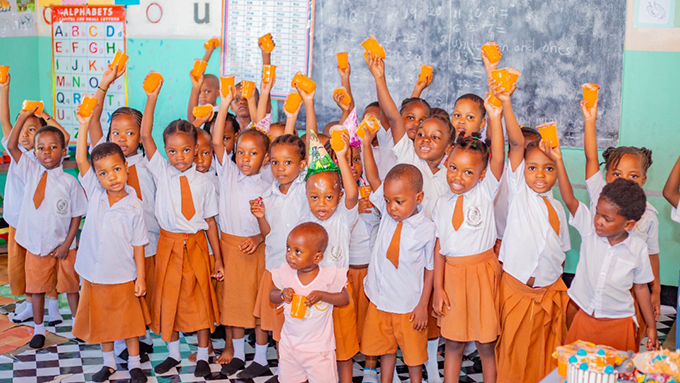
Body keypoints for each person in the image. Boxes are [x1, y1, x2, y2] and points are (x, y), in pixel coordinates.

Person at [139, 73, 223, 378]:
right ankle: (173, 355)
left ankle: (203, 354)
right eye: (172, 151)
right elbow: (145, 136)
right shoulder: (161, 172)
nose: (179, 157)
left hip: (198, 243)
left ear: (196, 148)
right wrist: (152, 97)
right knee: (169, 300)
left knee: (199, 300)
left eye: (186, 150)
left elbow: (211, 222)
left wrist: (219, 258)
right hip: (169, 244)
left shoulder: (205, 181)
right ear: (165, 151)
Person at [72, 109, 150, 383]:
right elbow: (81, 158)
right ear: (97, 177)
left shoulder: (134, 205)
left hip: (123, 274)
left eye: (117, 169)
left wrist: (140, 277)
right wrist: (83, 126)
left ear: (126, 168)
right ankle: (108, 364)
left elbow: (139, 244)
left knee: (129, 324)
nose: (112, 176)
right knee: (104, 322)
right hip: (95, 273)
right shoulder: (94, 191)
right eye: (104, 173)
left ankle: (135, 363)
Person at [87, 63, 159, 357]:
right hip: (113, 249)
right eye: (115, 132)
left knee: (144, 293)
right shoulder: (106, 167)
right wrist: (103, 86)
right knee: (117, 297)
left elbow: (147, 135)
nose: (121, 138)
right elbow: (93, 123)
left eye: (130, 133)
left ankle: (144, 338)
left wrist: (151, 97)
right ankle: (119, 340)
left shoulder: (150, 163)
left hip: (148, 242)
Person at [432, 94, 505, 383]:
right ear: (446, 164)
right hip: (452, 275)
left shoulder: (485, 192)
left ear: (482, 175)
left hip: (481, 274)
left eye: (468, 172)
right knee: (453, 342)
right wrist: (438, 287)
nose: (458, 177)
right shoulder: (442, 204)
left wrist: (495, 116)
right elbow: (439, 248)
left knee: (486, 343)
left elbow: (498, 155)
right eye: (453, 168)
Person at [7, 107, 87, 350]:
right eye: (41, 148)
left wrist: (66, 244)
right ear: (34, 151)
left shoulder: (70, 182)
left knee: (72, 288)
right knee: (37, 289)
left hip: (64, 246)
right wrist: (21, 118)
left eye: (53, 147)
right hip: (36, 245)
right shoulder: (29, 171)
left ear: (64, 151)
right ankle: (39, 330)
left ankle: (78, 326)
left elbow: (76, 216)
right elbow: (11, 147)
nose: (46, 152)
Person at [583, 97, 660, 336]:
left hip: (627, 295)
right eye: (617, 174)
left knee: (625, 344)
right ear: (606, 176)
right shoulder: (599, 195)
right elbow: (590, 158)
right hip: (593, 292)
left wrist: (655, 290)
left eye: (633, 175)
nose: (625, 180)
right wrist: (590, 120)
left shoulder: (649, 216)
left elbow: (652, 255)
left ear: (644, 180)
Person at [212, 86, 273, 379]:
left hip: (257, 249)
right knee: (233, 306)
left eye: (254, 154)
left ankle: (260, 357)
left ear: (266, 158)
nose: (246, 158)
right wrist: (225, 101)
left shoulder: (268, 181)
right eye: (241, 152)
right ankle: (236, 353)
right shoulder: (228, 173)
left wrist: (259, 237)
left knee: (258, 307)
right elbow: (216, 139)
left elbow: (270, 224)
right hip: (230, 248)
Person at [0, 73, 69, 326]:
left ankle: (53, 306)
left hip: (44, 221)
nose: (27, 135)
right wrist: (5, 87)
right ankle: (30, 304)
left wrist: (46, 114)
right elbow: (5, 121)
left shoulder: (44, 157)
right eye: (24, 130)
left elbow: (64, 137)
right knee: (23, 268)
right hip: (19, 221)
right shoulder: (17, 153)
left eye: (33, 130)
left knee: (47, 263)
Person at [561, 174, 658, 352]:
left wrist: (651, 327)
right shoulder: (589, 231)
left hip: (619, 323)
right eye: (598, 212)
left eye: (607, 219)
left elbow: (641, 288)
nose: (598, 220)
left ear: (628, 225)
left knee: (615, 374)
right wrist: (558, 161)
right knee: (577, 372)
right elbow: (569, 200)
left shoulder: (638, 249)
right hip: (585, 318)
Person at [360, 163, 436, 383]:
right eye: (387, 200)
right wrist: (366, 143)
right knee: (385, 349)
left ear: (418, 197)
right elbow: (373, 176)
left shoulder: (426, 229)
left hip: (408, 306)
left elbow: (430, 269)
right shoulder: (387, 214)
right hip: (380, 300)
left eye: (399, 202)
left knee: (413, 357)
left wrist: (423, 305)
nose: (392, 207)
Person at [269, 222, 350, 383]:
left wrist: (323, 296)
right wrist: (282, 294)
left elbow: (344, 299)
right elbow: (272, 295)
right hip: (290, 346)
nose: (290, 255)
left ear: (317, 257)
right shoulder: (286, 273)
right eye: (288, 248)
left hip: (318, 350)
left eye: (297, 251)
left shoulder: (328, 277)